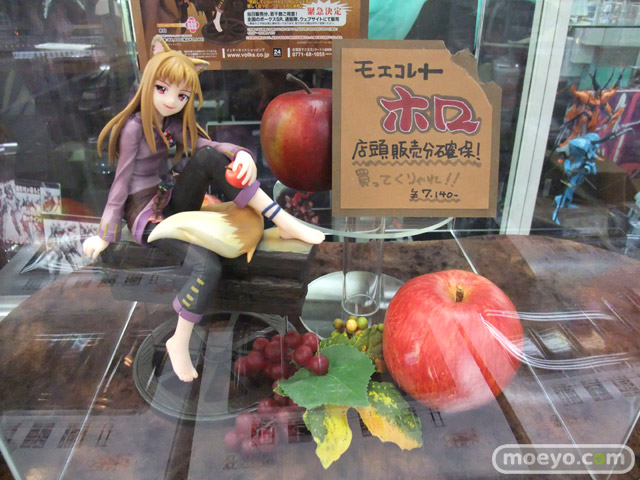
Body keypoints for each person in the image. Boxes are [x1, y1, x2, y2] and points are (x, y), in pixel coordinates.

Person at [82, 35, 324, 382]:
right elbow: (119, 185)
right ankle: (178, 342)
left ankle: (282, 219)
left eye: (181, 96)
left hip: (171, 200)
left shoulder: (170, 125)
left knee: (209, 157)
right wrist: (105, 234)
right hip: (147, 216)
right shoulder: (134, 129)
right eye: (162, 89)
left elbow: (208, 146)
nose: (171, 101)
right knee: (207, 267)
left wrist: (241, 154)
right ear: (149, 84)